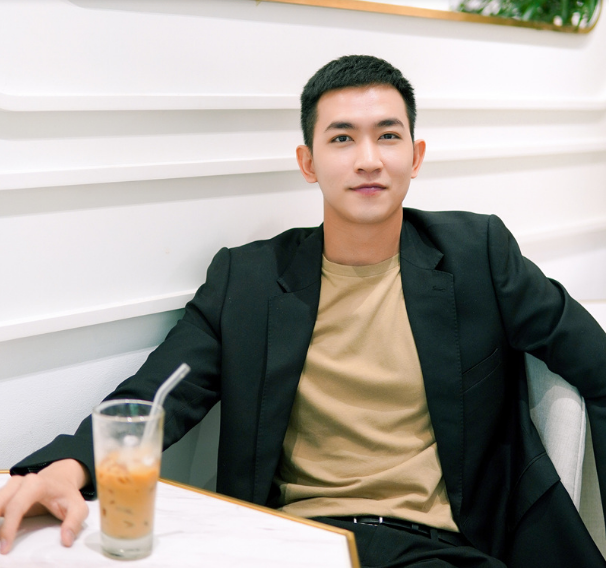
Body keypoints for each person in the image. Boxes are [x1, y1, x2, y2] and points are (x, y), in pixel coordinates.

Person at [0, 55, 605, 567]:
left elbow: (596, 362)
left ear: (416, 155)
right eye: (342, 138)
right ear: (308, 162)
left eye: (388, 136)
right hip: (295, 544)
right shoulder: (248, 279)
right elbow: (156, 396)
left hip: (441, 548)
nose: (368, 159)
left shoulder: (477, 254)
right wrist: (65, 468)